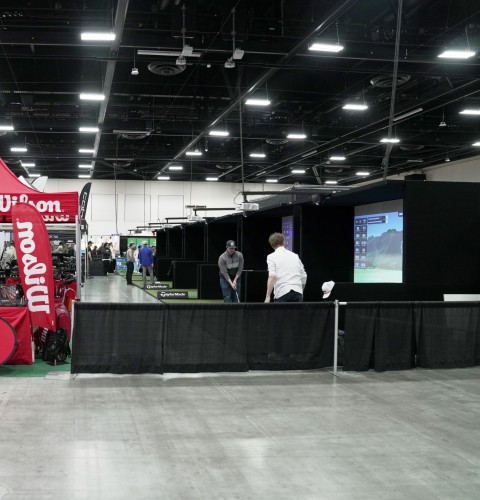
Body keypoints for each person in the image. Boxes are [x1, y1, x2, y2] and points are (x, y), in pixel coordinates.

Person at [264, 232, 307, 302]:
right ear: (284, 242)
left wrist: (267, 296)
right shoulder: (295, 256)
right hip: (297, 293)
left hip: (282, 292)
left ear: (272, 245)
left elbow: (272, 277)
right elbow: (304, 275)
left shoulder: (271, 257)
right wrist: (300, 290)